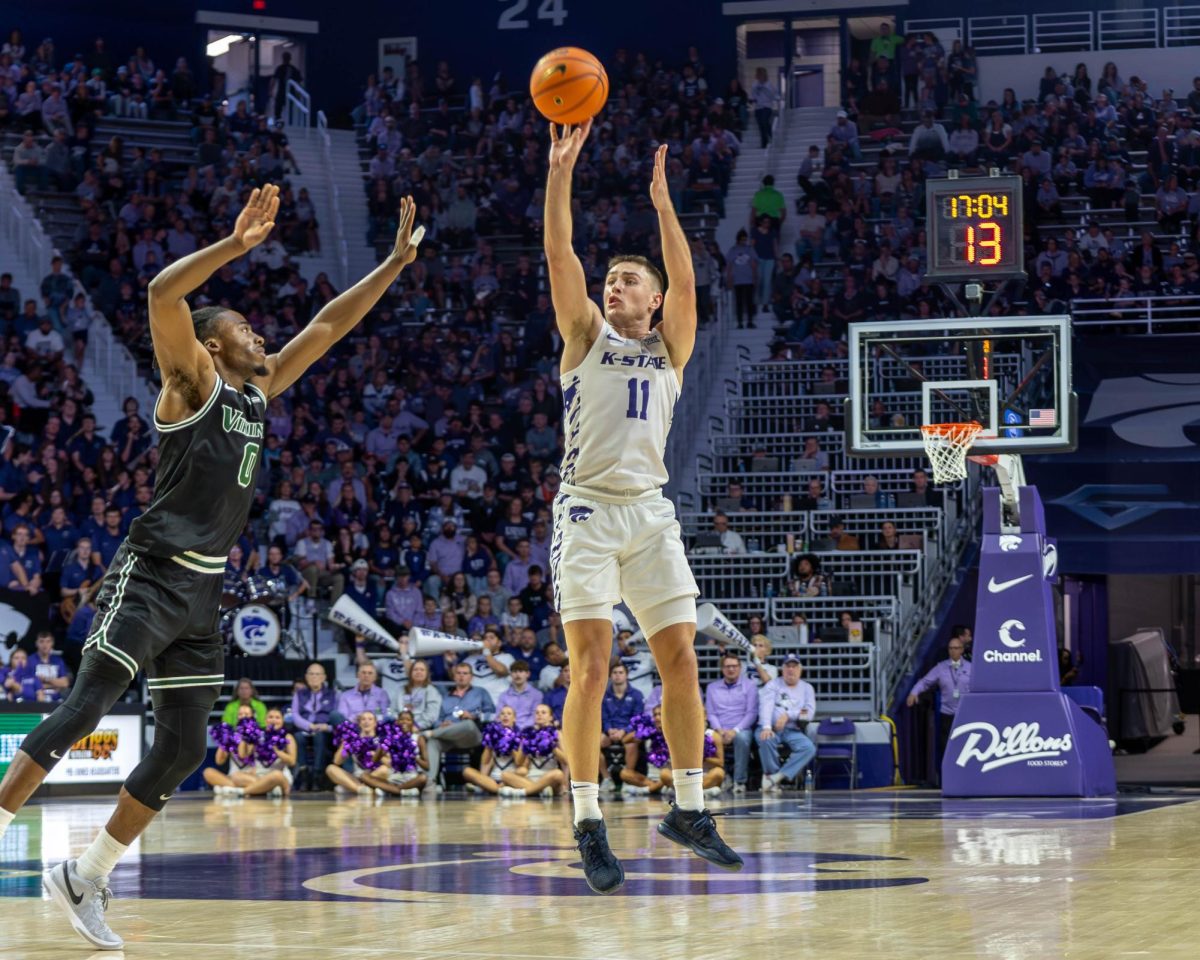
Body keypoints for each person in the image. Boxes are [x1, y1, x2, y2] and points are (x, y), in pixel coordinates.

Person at [0, 185, 421, 950]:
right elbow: (164, 292)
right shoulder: (189, 383)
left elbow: (327, 327)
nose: (261, 336)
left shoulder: (258, 390)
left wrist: (391, 265)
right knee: (89, 701)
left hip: (203, 588)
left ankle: (86, 875)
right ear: (213, 345)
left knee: (187, 746)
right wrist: (233, 245)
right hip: (154, 568)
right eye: (245, 328)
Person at [544, 122, 741, 892]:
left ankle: (689, 807)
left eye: (629, 282)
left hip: (650, 513)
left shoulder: (670, 347)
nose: (613, 287)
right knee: (591, 668)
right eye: (611, 280)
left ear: (653, 302)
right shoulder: (585, 337)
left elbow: (690, 287)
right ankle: (588, 821)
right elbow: (561, 256)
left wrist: (666, 208)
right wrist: (561, 174)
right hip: (588, 513)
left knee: (682, 659)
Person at [424, 661, 495, 789]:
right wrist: (442, 724)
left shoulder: (480, 692)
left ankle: (430, 734)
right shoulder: (445, 697)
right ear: (454, 676)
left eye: (465, 673)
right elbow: (436, 721)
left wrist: (474, 716)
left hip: (472, 736)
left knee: (468, 724)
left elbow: (492, 715)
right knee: (433, 743)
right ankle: (431, 781)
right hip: (449, 735)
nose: (462, 676)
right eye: (459, 673)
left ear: (471, 677)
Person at [757, 653, 817, 792]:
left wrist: (788, 715)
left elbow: (809, 713)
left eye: (794, 666)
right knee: (765, 738)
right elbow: (766, 706)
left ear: (800, 669)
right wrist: (766, 727)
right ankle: (770, 776)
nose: (791, 670)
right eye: (788, 666)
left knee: (808, 748)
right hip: (771, 727)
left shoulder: (807, 688)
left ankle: (775, 778)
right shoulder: (773, 684)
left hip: (793, 729)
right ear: (782, 669)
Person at [906, 635, 971, 764]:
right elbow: (925, 682)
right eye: (950, 648)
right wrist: (913, 693)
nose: (953, 651)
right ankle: (946, 778)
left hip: (966, 714)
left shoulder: (971, 668)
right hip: (947, 714)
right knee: (946, 748)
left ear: (962, 650)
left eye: (956, 648)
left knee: (966, 748)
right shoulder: (941, 667)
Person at [705, 653, 759, 794]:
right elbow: (711, 713)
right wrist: (720, 730)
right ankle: (717, 778)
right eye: (728, 666)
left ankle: (739, 782)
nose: (731, 669)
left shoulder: (750, 686)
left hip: (741, 728)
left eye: (734, 666)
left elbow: (751, 713)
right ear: (722, 669)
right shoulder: (712, 688)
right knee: (706, 738)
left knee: (742, 739)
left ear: (740, 668)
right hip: (718, 728)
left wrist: (735, 730)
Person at [502, 702, 569, 797]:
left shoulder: (557, 734)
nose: (539, 715)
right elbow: (518, 762)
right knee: (505, 775)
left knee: (558, 774)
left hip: (549, 777)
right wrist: (525, 745)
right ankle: (539, 790)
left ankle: (524, 792)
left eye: (543, 712)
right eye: (537, 713)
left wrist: (552, 746)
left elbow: (566, 761)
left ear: (550, 717)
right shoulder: (529, 734)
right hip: (531, 777)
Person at [290, 662, 336, 791]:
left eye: (317, 674)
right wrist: (309, 726)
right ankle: (304, 776)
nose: (314, 677)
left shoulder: (333, 694)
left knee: (320, 736)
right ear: (306, 677)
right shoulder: (299, 694)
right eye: (311, 674)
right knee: (298, 737)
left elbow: (337, 716)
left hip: (324, 730)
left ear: (324, 677)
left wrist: (327, 727)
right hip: (305, 729)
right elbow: (295, 715)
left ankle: (317, 776)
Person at [599, 662, 645, 790]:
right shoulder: (604, 695)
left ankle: (627, 777)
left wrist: (624, 731)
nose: (617, 676)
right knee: (594, 742)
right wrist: (609, 730)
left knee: (631, 741)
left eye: (621, 673)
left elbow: (637, 718)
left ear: (626, 675)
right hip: (610, 731)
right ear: (610, 676)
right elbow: (603, 717)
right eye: (614, 673)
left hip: (628, 731)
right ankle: (606, 778)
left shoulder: (637, 695)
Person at [361, 709, 427, 796]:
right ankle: (402, 792)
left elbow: (427, 766)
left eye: (408, 720)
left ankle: (389, 790)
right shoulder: (392, 739)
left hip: (412, 777)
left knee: (423, 778)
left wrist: (414, 757)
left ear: (412, 722)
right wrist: (382, 744)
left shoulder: (418, 738)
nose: (404, 722)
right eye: (402, 719)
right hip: (393, 778)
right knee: (364, 776)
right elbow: (375, 760)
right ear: (397, 722)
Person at [461, 704, 521, 796]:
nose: (505, 716)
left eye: (509, 714)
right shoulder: (494, 735)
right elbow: (485, 762)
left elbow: (519, 763)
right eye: (502, 714)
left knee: (509, 777)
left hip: (509, 777)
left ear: (514, 719)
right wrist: (489, 744)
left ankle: (486, 788)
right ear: (499, 718)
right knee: (467, 771)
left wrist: (510, 742)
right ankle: (497, 789)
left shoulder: (520, 737)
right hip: (492, 778)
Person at [325, 709, 386, 796]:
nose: (366, 722)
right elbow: (337, 761)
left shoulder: (381, 740)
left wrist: (376, 755)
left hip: (375, 775)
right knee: (330, 769)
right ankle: (361, 789)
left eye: (370, 719)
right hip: (358, 776)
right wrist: (345, 743)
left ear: (375, 723)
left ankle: (352, 787)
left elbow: (390, 764)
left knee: (384, 770)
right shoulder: (353, 740)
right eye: (363, 719)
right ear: (359, 723)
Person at [398, 658, 443, 732]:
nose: (418, 672)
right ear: (410, 672)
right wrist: (399, 724)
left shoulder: (432, 691)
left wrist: (417, 726)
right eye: (415, 670)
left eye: (422, 670)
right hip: (400, 727)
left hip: (421, 729)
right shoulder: (401, 689)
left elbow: (431, 715)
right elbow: (394, 710)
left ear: (427, 673)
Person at [496, 659, 543, 728]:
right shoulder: (504, 695)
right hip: (507, 730)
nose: (517, 675)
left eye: (521, 671)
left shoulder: (537, 695)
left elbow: (535, 716)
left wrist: (520, 728)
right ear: (511, 675)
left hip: (528, 730)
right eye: (514, 672)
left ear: (528, 674)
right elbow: (498, 716)